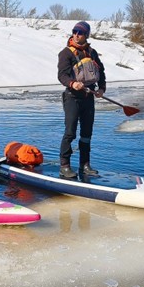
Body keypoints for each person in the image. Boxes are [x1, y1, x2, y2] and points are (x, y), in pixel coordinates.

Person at [57, 21, 106, 179]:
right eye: (75, 31)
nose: (77, 35)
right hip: (72, 98)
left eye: (80, 32)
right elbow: (62, 75)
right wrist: (72, 83)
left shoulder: (92, 53)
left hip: (88, 98)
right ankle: (64, 166)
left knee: (86, 134)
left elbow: (101, 72)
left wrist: (101, 88)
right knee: (70, 133)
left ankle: (85, 165)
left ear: (87, 35)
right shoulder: (66, 53)